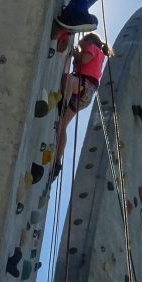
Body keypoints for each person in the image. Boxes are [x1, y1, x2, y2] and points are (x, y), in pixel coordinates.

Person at [52, 33, 112, 179]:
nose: (80, 45)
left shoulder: (93, 48)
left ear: (89, 41)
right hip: (84, 94)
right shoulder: (99, 55)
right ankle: (57, 162)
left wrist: (75, 53)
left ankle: (61, 103)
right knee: (62, 126)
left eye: (81, 43)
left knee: (67, 78)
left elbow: (84, 60)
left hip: (83, 86)